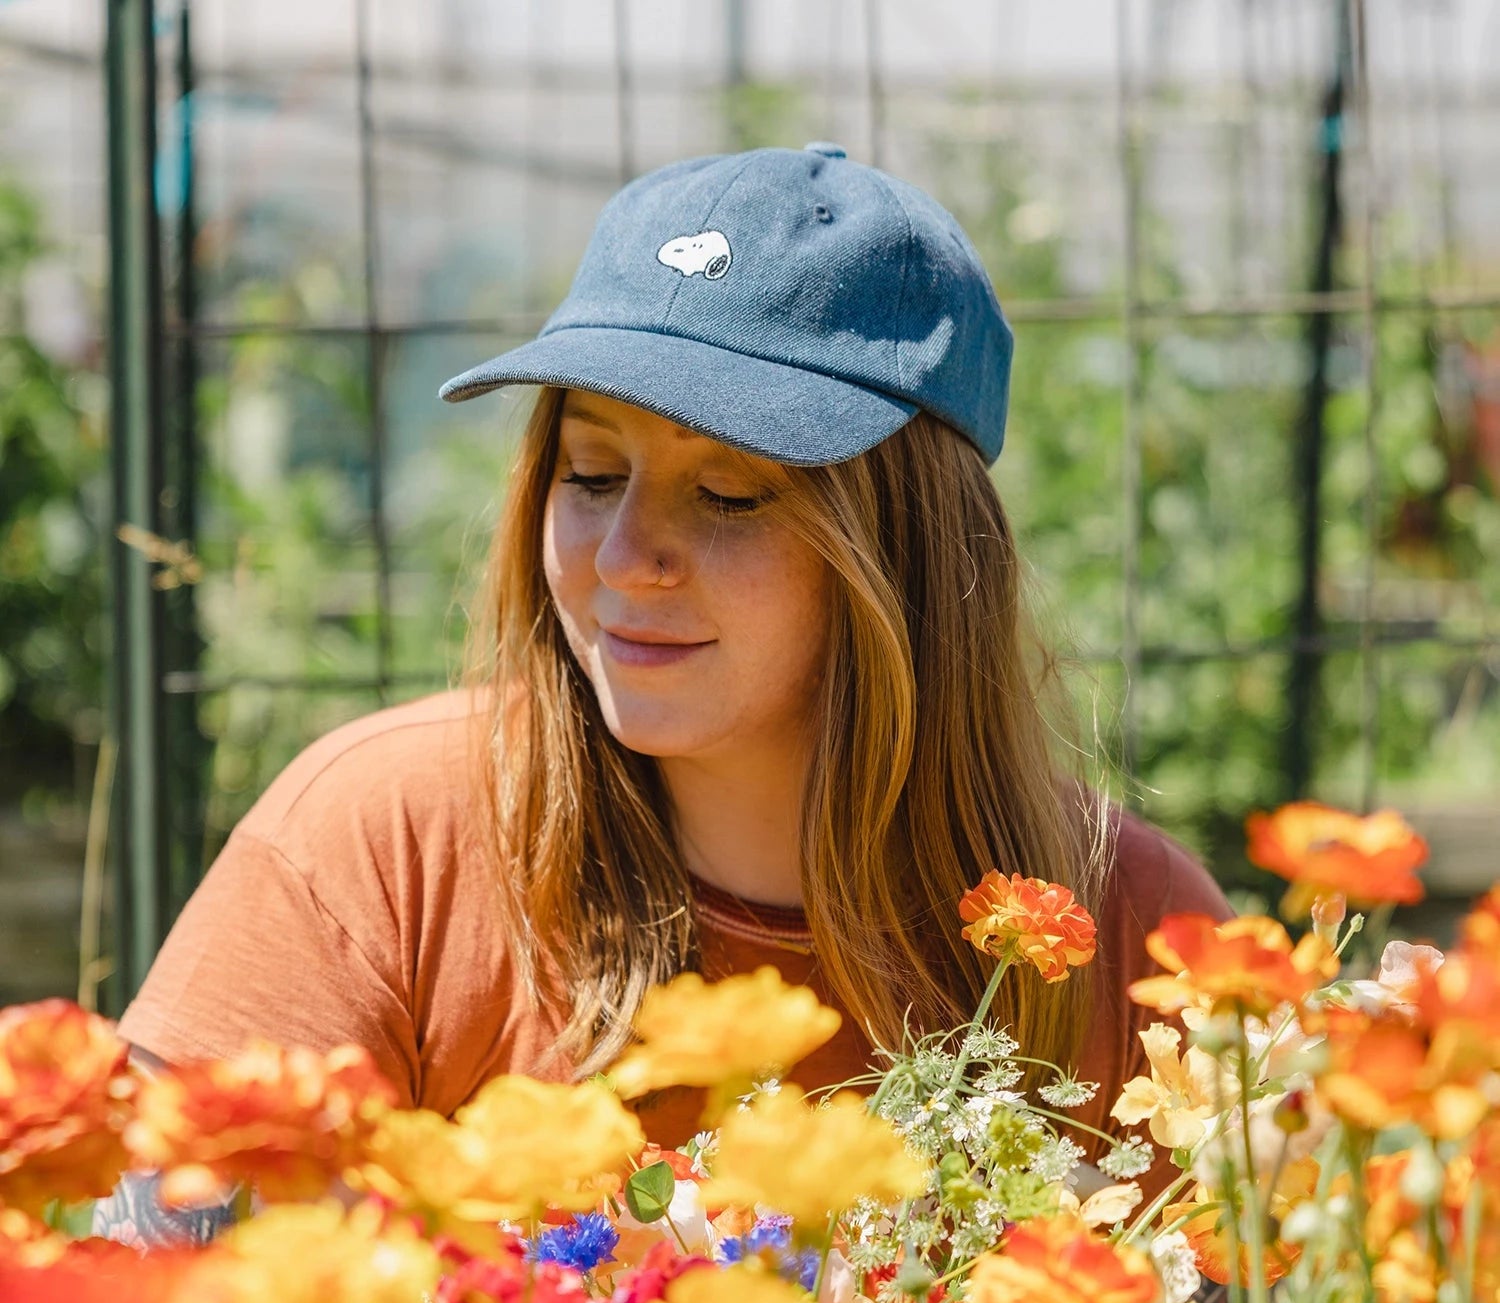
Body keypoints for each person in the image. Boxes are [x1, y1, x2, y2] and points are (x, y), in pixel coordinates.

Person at [100, 143, 1232, 1245]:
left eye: (729, 493)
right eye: (591, 475)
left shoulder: (1131, 932)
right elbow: (138, 1299)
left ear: (913, 551)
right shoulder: (381, 842)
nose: (624, 556)